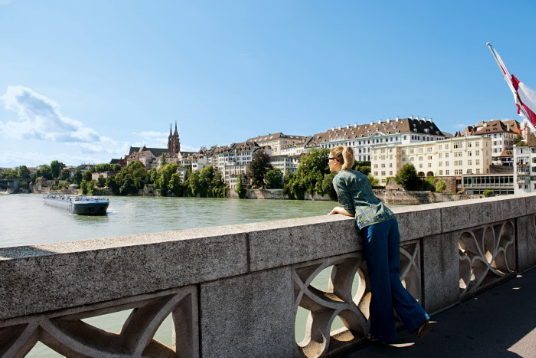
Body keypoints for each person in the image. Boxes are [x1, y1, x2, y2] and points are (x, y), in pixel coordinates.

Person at [327, 145, 430, 343]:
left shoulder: (340, 178)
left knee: (380, 280)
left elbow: (350, 209)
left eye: (329, 159)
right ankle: (413, 318)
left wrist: (337, 209)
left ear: (337, 161)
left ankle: (390, 330)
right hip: (389, 219)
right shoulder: (359, 175)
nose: (328, 162)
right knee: (390, 273)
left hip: (373, 225)